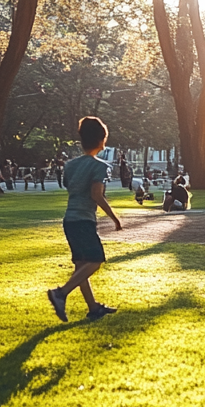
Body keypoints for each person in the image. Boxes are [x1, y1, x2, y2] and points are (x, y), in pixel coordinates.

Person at [47, 117, 123, 322]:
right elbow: (96, 195)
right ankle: (60, 293)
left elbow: (69, 186)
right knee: (95, 260)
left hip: (70, 220)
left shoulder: (70, 165)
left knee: (81, 267)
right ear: (102, 140)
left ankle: (93, 307)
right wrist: (115, 218)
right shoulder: (100, 166)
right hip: (84, 220)